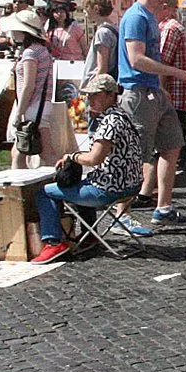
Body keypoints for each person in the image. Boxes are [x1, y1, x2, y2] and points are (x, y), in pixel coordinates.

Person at [30, 73, 143, 263]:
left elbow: (94, 159)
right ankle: (90, 235)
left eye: (95, 95)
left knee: (45, 193)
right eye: (89, 95)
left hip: (109, 189)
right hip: (131, 186)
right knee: (83, 183)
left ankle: (53, 242)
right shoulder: (124, 116)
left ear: (110, 95)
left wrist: (72, 156)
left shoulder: (110, 122)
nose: (90, 99)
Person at [116, 0, 186, 228]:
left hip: (154, 92)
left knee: (172, 145)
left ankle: (164, 207)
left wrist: (161, 87)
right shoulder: (136, 17)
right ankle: (121, 214)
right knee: (135, 154)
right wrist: (176, 73)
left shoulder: (149, 16)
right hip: (138, 93)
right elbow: (136, 59)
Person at [148, 0, 186, 222]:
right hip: (174, 96)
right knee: (165, 149)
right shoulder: (171, 27)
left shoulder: (170, 28)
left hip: (172, 97)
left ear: (166, 7)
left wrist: (161, 91)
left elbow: (162, 63)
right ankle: (153, 197)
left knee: (165, 148)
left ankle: (154, 198)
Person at [4, 10, 56, 170]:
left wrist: (19, 112)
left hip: (32, 106)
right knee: (42, 152)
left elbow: (28, 85)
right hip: (40, 105)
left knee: (22, 152)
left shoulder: (30, 53)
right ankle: (59, 177)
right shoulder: (41, 50)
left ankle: (19, 183)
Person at [78, 0, 120, 78]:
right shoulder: (114, 28)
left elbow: (102, 68)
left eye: (86, 7)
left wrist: (93, 84)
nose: (84, 11)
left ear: (96, 9)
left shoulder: (103, 32)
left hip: (96, 82)